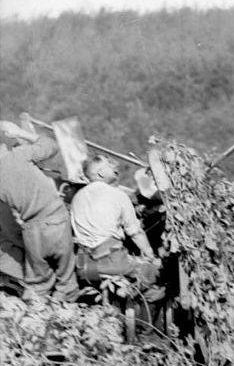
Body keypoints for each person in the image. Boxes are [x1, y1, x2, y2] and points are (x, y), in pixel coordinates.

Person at [0, 120, 78, 301]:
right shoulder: (19, 155)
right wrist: (20, 132)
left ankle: (36, 321)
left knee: (38, 286)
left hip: (32, 230)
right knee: (67, 283)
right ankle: (68, 312)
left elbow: (8, 226)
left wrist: (24, 245)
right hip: (56, 218)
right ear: (3, 144)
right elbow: (51, 145)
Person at [71, 155, 161, 290]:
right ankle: (135, 307)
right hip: (111, 262)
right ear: (101, 173)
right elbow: (135, 232)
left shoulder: (77, 197)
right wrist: (151, 256)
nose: (114, 167)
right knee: (152, 274)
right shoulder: (117, 195)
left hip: (84, 266)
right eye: (109, 165)